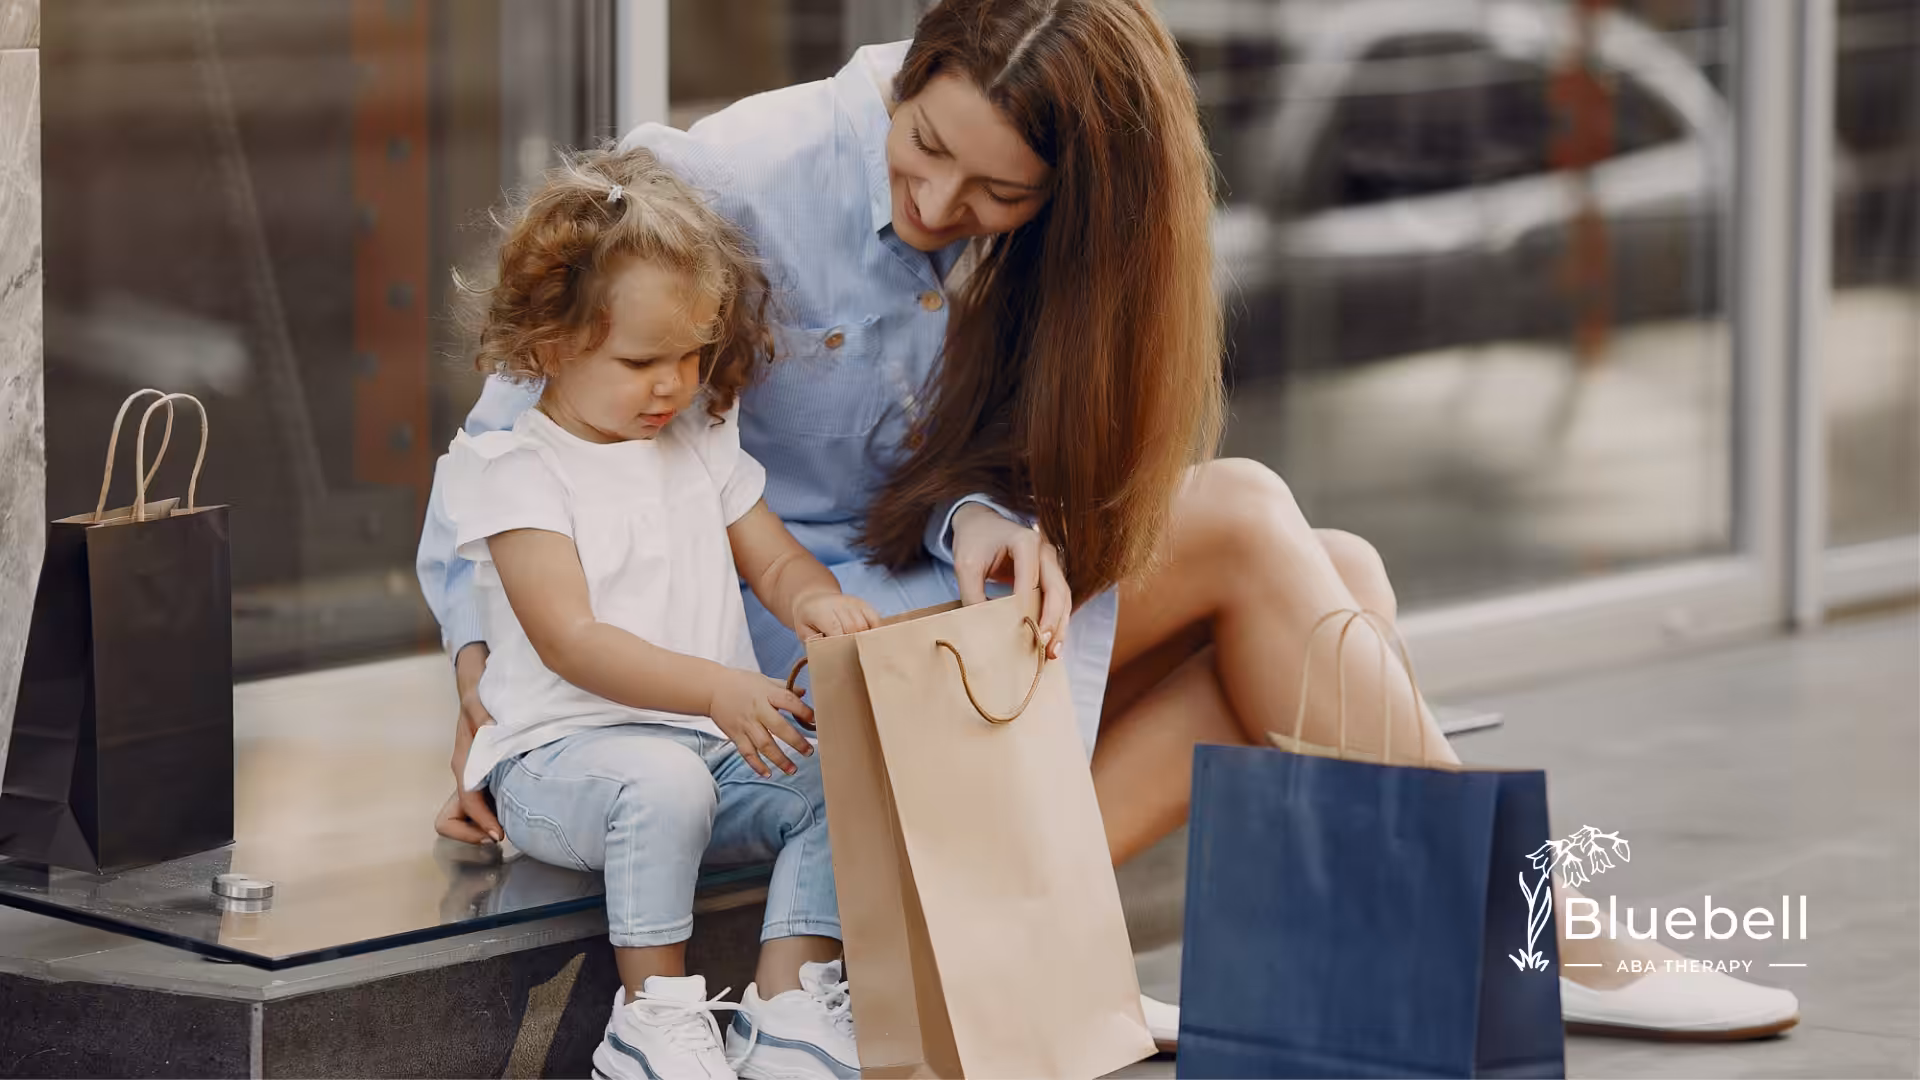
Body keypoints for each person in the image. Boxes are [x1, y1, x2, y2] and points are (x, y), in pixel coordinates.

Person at [422, 0, 1798, 1044]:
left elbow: (933, 466)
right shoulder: (737, 174)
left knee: (1336, 578)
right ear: (906, 81)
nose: (940, 206)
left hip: (909, 609)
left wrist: (975, 517)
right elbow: (512, 449)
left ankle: (1036, 970)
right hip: (760, 652)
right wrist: (493, 697)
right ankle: (1537, 938)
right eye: (925, 150)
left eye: (997, 195)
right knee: (1262, 526)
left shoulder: (1048, 249)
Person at [437, 146, 876, 1080]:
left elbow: (774, 559)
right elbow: (573, 639)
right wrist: (718, 688)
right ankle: (652, 1018)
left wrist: (817, 605)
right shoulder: (515, 472)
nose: (673, 384)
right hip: (560, 763)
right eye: (643, 360)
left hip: (699, 752)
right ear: (550, 344)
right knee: (662, 786)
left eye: (691, 354)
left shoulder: (699, 441)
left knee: (847, 773)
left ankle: (789, 1008)